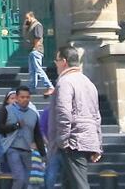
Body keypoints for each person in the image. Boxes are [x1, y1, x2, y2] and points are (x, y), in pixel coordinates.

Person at [47, 46, 102, 189]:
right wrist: (98, 144)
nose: (56, 64)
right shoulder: (88, 83)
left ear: (64, 61)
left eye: (57, 60)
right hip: (86, 138)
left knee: (79, 184)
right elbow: (96, 116)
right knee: (69, 183)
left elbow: (64, 112)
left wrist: (63, 140)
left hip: (73, 141)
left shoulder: (65, 82)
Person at [0, 88, 46, 189]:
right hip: (12, 149)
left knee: (26, 181)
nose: (25, 99)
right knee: (19, 178)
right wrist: (15, 126)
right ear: (17, 98)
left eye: (27, 97)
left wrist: (43, 154)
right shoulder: (7, 110)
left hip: (27, 150)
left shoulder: (33, 114)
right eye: (22, 97)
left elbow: (37, 135)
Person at [23, 12, 55, 96]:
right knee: (32, 71)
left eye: (27, 18)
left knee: (38, 69)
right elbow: (26, 35)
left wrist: (35, 49)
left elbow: (38, 38)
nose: (26, 20)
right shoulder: (30, 26)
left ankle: (50, 86)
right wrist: (25, 26)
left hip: (36, 51)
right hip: (31, 51)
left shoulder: (37, 25)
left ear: (32, 17)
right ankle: (32, 88)